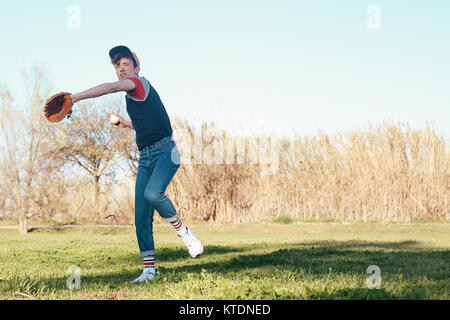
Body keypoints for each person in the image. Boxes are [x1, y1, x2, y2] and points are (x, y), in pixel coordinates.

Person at [69, 45, 203, 283]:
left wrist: (75, 98)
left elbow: (110, 88)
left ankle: (184, 232)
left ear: (136, 67)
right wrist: (125, 124)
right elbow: (148, 124)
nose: (121, 70)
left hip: (166, 152)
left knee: (153, 194)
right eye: (117, 66)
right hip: (146, 156)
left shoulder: (139, 83)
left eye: (126, 64)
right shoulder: (133, 95)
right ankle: (150, 271)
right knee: (141, 215)